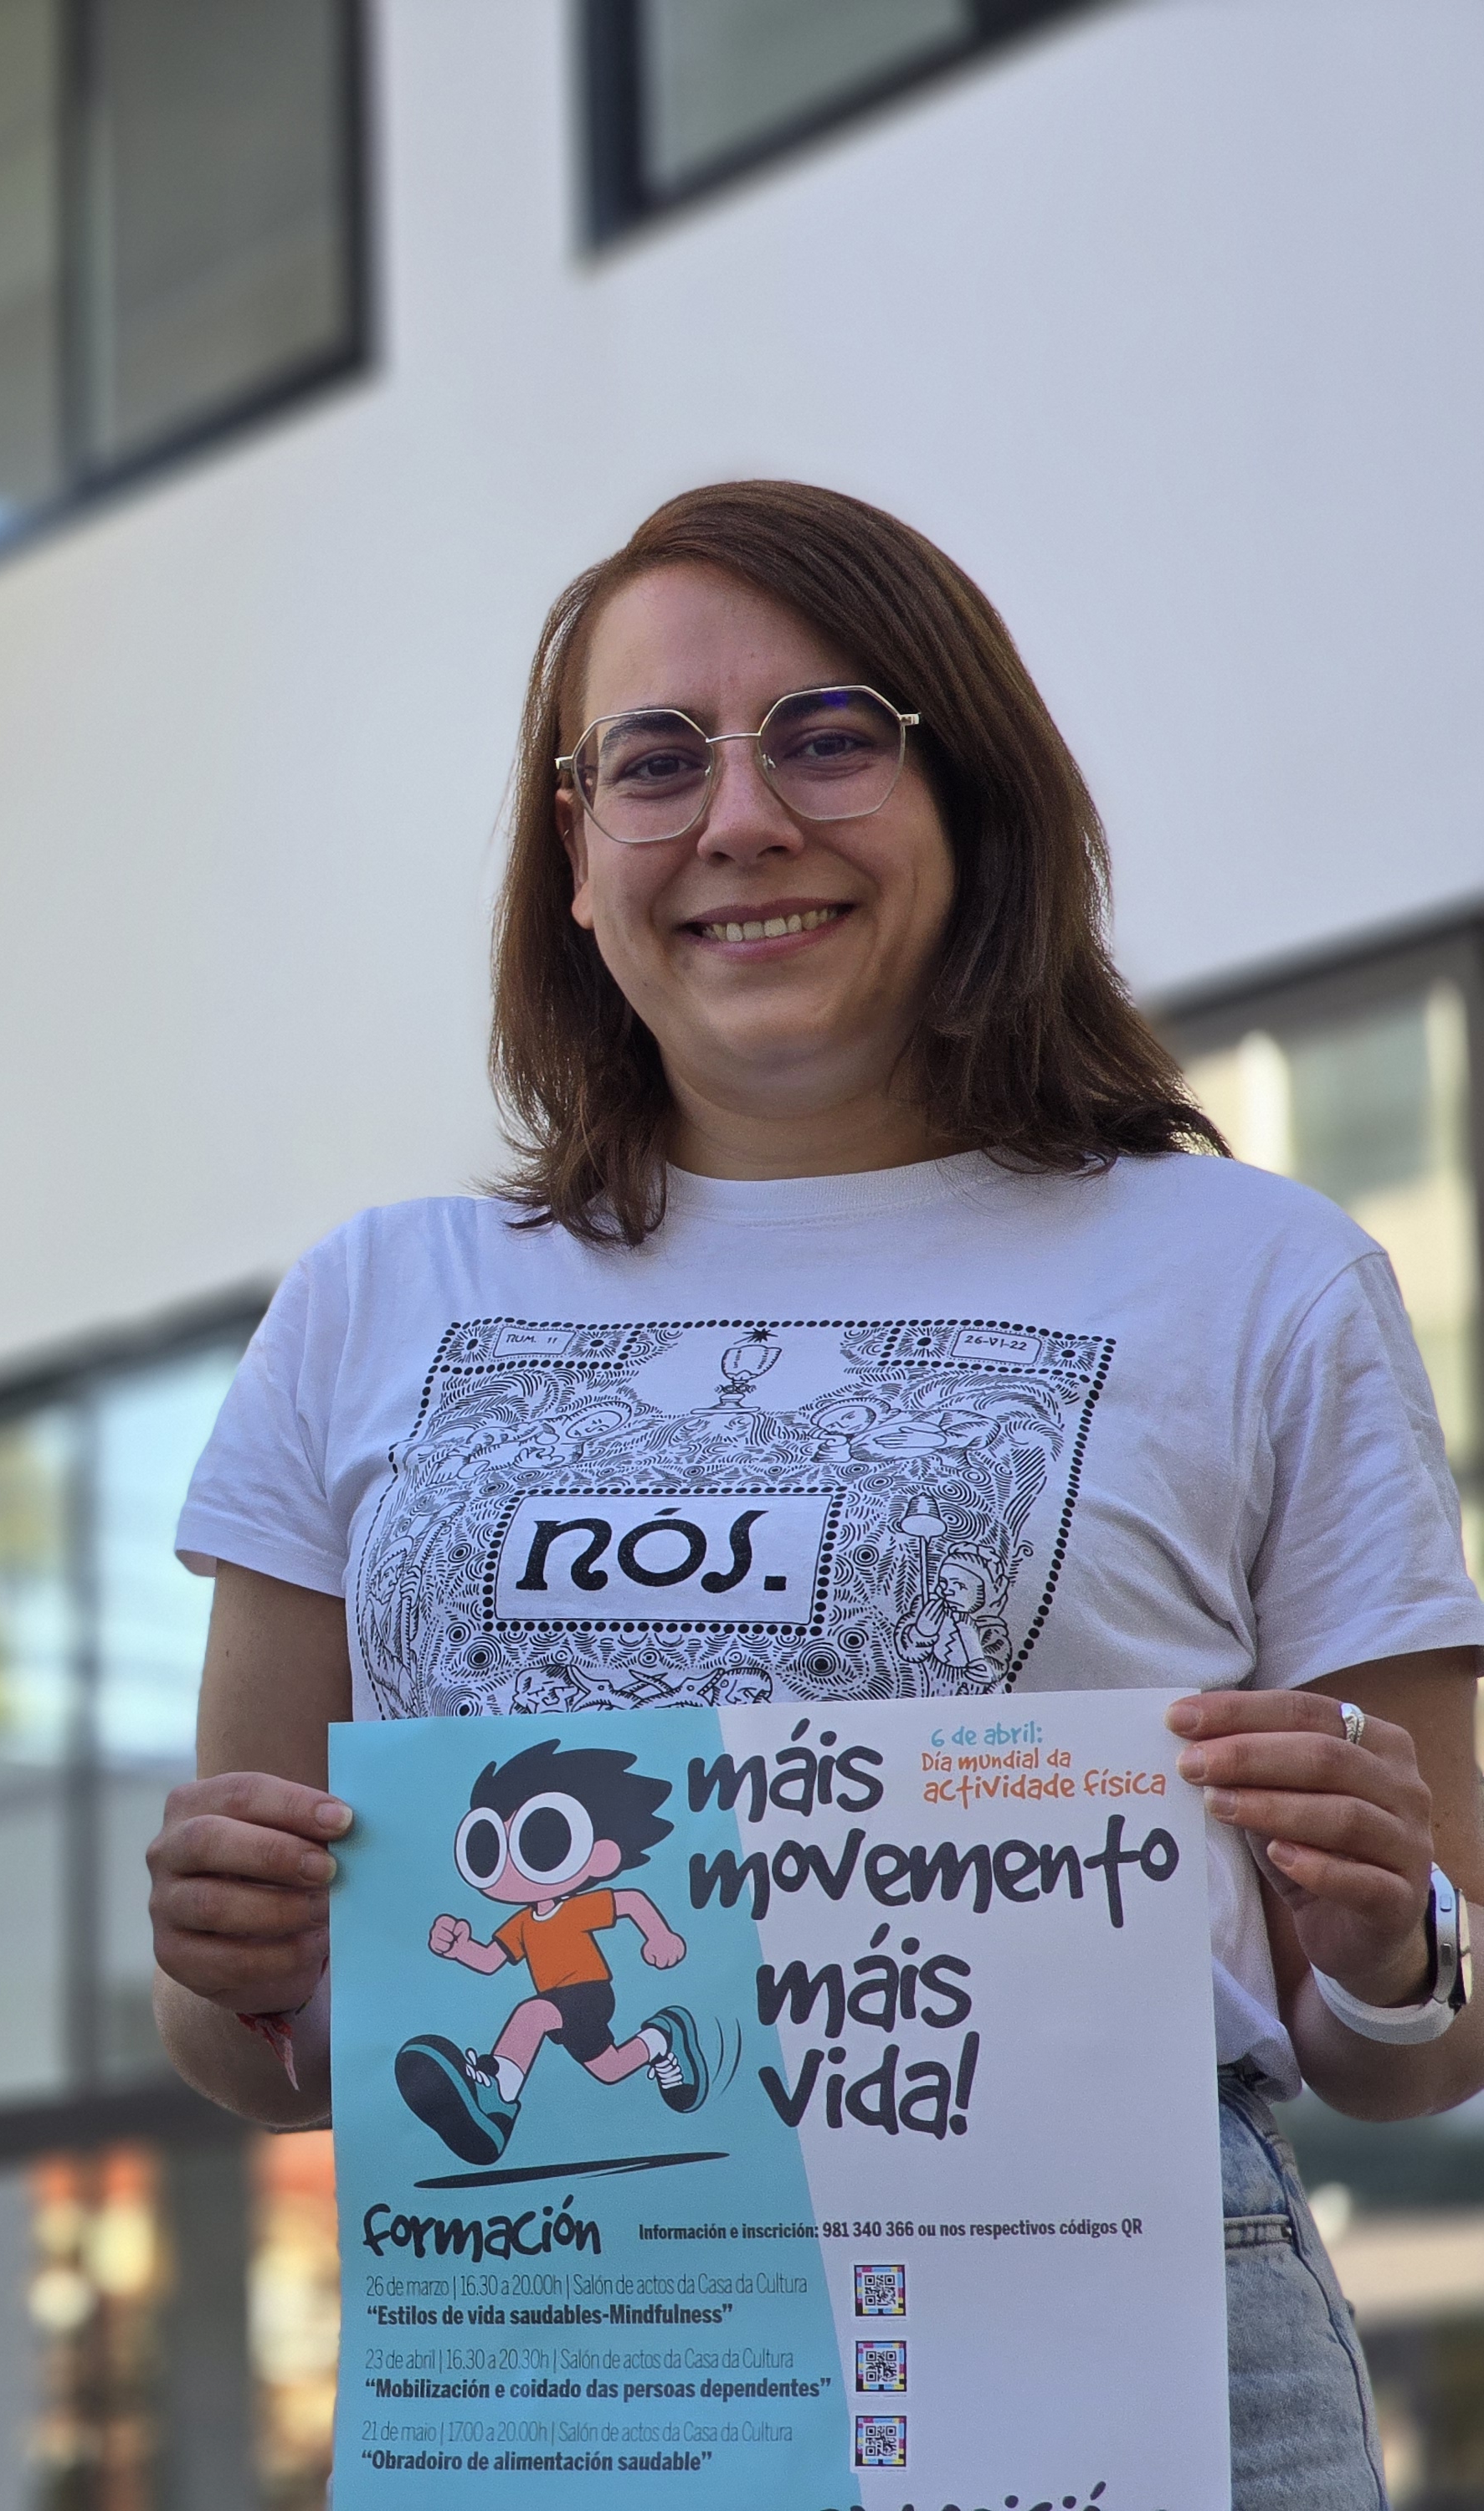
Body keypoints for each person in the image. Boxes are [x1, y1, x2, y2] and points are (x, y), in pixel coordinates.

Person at [146, 480, 1482, 2509]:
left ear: (972, 801)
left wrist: (1390, 1938)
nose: (739, 819)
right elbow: (245, 2044)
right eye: (651, 762)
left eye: (828, 737)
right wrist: (226, 1954)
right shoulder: (365, 1304)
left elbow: (1425, 2041)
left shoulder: (1259, 1278)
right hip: (559, 2356)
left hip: (1116, 2352)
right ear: (572, 861)